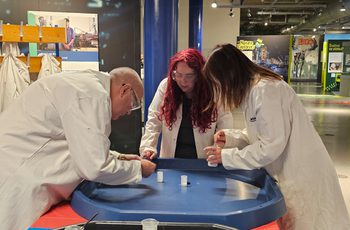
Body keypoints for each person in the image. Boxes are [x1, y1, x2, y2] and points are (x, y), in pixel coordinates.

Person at [203, 44, 350, 229]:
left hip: (303, 174)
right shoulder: (254, 90)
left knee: (315, 223)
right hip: (289, 173)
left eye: (218, 84)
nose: (219, 90)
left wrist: (226, 156)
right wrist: (231, 138)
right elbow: (262, 134)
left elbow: (270, 146)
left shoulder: (266, 90)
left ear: (229, 75)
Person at [0, 67, 156, 230]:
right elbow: (94, 168)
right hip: (15, 177)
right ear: (124, 90)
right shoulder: (92, 95)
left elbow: (77, 143)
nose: (130, 111)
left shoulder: (86, 84)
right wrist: (137, 169)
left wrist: (118, 157)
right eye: (135, 102)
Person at [140, 48, 233, 159]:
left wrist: (218, 149)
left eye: (189, 76)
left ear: (200, 75)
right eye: (178, 75)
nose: (183, 81)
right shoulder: (165, 87)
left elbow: (225, 126)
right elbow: (154, 120)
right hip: (172, 162)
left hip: (205, 161)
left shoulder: (215, 90)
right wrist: (148, 148)